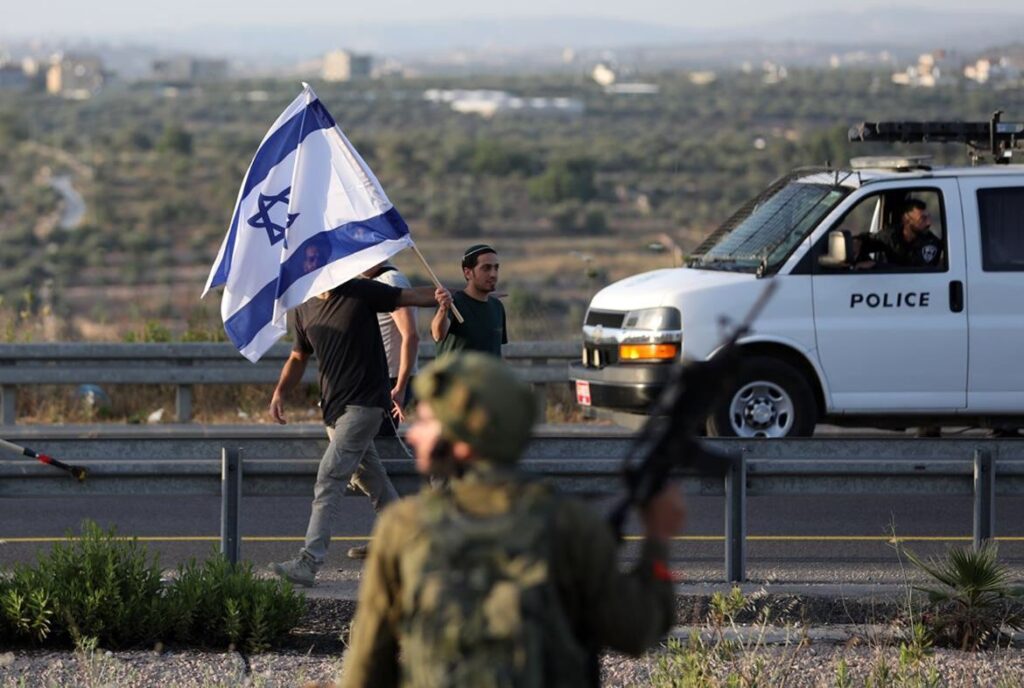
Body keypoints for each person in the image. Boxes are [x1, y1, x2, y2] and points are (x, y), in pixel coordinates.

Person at [339, 352, 684, 687]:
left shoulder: (405, 526)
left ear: (462, 438)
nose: (413, 434)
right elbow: (636, 631)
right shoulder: (570, 522)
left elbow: (367, 668)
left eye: (428, 422)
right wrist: (657, 541)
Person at [269, 275, 452, 583]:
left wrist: (445, 296)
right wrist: (280, 393)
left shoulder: (359, 291)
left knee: (329, 477)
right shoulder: (304, 307)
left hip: (365, 405)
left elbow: (407, 296)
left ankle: (309, 562)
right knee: (372, 480)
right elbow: (299, 356)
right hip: (334, 411)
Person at [362, 261, 419, 436]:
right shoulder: (376, 280)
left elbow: (411, 335)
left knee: (379, 443)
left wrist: (400, 387)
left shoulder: (391, 281)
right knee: (368, 443)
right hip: (378, 378)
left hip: (390, 380)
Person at [431, 243, 508, 357]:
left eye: (496, 268)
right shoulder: (453, 303)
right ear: (468, 273)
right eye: (486, 268)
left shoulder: (497, 306)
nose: (493, 274)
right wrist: (443, 309)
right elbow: (438, 335)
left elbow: (496, 352)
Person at [853, 198, 943, 269]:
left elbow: (914, 273)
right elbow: (870, 240)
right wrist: (857, 242)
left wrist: (876, 265)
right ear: (906, 220)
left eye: (928, 217)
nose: (928, 223)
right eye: (922, 219)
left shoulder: (931, 244)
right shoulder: (891, 235)